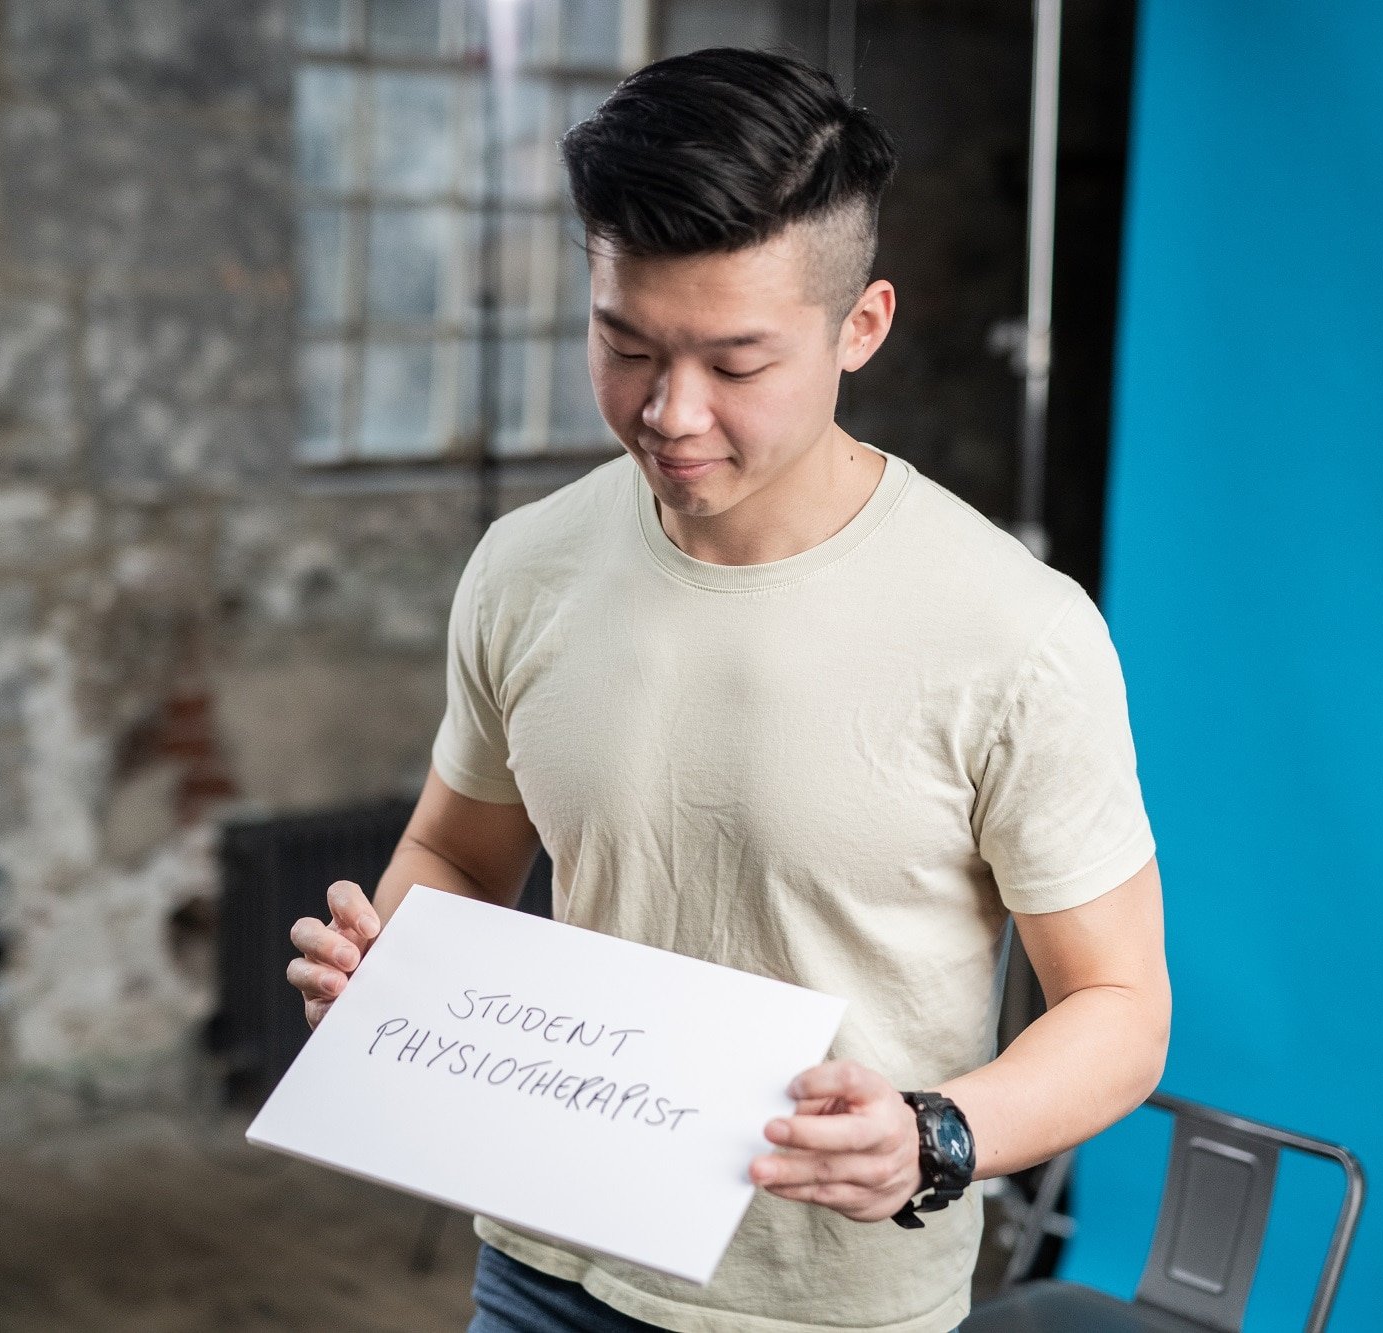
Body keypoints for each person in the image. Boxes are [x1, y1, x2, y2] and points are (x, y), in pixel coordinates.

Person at [287, 47, 1169, 1333]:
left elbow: (1119, 1008)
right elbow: (459, 853)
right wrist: (393, 974)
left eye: (735, 363)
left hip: (825, 1308)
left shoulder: (1013, 634)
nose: (668, 413)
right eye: (624, 344)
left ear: (858, 324)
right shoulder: (528, 565)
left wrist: (940, 1133)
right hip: (540, 1262)